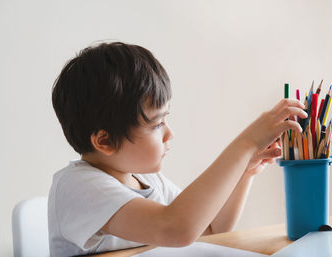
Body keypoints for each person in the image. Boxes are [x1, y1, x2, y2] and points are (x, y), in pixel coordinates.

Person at [48, 42, 307, 257]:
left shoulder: (146, 179)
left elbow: (210, 228)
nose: (169, 133)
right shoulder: (77, 186)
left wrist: (244, 173)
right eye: (157, 123)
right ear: (104, 141)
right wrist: (246, 143)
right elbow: (177, 228)